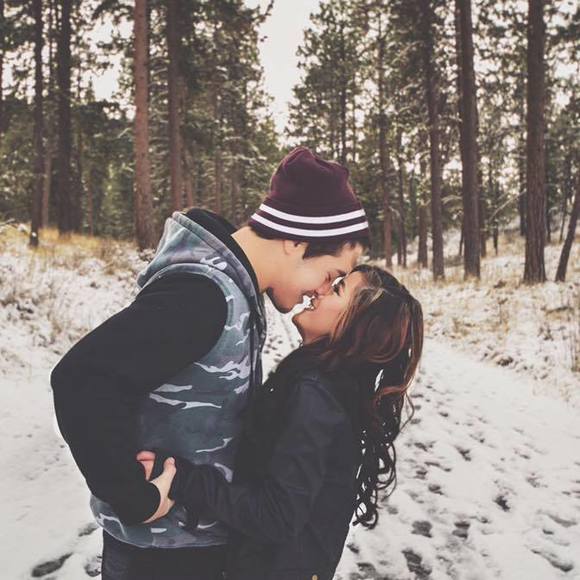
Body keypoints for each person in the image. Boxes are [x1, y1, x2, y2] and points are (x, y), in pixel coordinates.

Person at [49, 146, 370, 580]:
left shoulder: (234, 289)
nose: (321, 291)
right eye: (331, 275)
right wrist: (132, 497)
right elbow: (83, 379)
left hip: (189, 542)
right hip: (162, 555)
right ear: (295, 240)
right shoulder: (205, 296)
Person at [139, 263, 424, 580]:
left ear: (359, 326)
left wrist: (184, 480)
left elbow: (278, 516)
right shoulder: (332, 385)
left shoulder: (318, 397)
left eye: (338, 289)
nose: (319, 290)